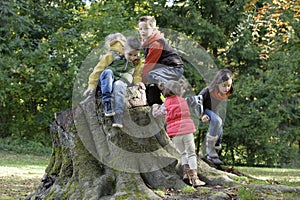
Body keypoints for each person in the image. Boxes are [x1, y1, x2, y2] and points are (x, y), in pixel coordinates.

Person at [152, 80, 206, 188]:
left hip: (175, 133)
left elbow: (155, 114)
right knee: (191, 153)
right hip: (187, 130)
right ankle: (194, 178)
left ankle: (186, 173)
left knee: (183, 154)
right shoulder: (184, 100)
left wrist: (154, 106)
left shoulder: (165, 104)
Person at [83, 33, 144, 128]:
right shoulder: (111, 56)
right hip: (107, 80)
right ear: (124, 49)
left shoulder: (136, 61)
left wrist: (138, 82)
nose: (132, 57)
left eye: (135, 55)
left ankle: (118, 116)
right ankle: (107, 103)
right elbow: (97, 71)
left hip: (121, 80)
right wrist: (91, 85)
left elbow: (136, 74)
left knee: (118, 86)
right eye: (130, 54)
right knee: (107, 72)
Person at [187, 69, 234, 165]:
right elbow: (196, 104)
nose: (226, 88)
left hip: (213, 110)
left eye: (228, 85)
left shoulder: (229, 91)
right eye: (224, 85)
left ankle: (215, 150)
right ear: (217, 84)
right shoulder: (207, 91)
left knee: (220, 129)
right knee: (217, 121)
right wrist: (202, 115)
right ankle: (210, 151)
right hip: (203, 109)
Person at [138, 16, 184, 105]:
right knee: (152, 86)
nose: (143, 31)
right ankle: (156, 104)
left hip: (174, 67)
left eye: (146, 28)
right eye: (140, 29)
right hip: (163, 69)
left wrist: (141, 81)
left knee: (150, 75)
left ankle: (173, 93)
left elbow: (148, 65)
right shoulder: (146, 41)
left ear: (154, 29)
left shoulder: (155, 43)